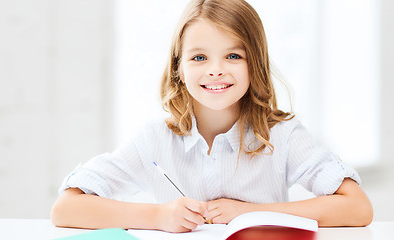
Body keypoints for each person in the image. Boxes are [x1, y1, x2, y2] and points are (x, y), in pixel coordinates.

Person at [51, 0, 373, 233]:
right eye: (199, 57)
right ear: (179, 67)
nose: (216, 69)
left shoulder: (282, 135)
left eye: (233, 55)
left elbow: (357, 207)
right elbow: (66, 209)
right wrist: (158, 216)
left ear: (255, 63)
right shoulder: (154, 139)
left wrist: (251, 214)